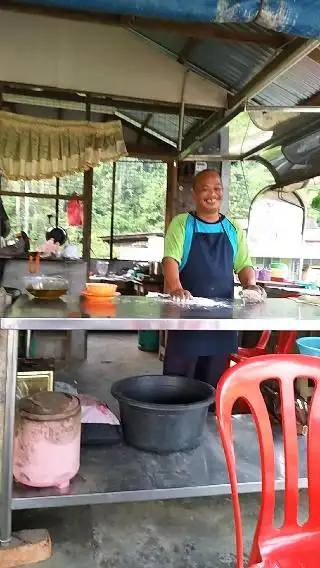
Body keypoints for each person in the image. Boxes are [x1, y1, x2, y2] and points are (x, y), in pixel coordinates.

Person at [162, 168, 264, 388]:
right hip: (186, 317)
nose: (212, 194)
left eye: (217, 188)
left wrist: (251, 285)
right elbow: (170, 259)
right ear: (195, 194)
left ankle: (209, 420)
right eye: (205, 189)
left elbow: (244, 264)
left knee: (212, 384)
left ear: (223, 192)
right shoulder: (182, 224)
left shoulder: (232, 228)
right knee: (176, 385)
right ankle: (175, 421)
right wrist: (176, 288)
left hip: (222, 321)